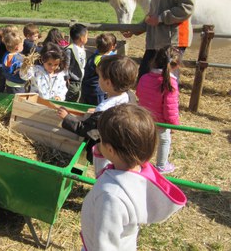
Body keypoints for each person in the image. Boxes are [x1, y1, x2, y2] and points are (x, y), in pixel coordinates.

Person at [80, 103, 187, 251]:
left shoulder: (111, 197)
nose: (99, 142)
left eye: (101, 139)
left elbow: (105, 245)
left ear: (110, 149)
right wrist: (100, 153)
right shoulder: (137, 174)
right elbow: (104, 175)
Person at [58, 55, 138, 175]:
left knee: (103, 173)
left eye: (99, 77)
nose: (98, 79)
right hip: (123, 146)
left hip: (106, 150)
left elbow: (87, 129)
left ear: (108, 83)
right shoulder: (129, 96)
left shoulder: (104, 109)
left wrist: (67, 117)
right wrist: (96, 111)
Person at [123, 0, 195, 81]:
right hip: (156, 42)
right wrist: (134, 30)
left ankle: (166, 101)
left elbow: (187, 7)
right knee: (145, 77)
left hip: (172, 42)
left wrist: (161, 18)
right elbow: (151, 17)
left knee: (165, 81)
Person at [136, 46, 180, 174]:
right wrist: (172, 124)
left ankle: (140, 162)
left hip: (145, 118)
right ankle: (161, 165)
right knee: (164, 140)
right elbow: (170, 106)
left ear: (154, 60)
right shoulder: (169, 83)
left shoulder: (145, 77)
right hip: (161, 121)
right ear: (176, 65)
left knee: (146, 140)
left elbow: (139, 93)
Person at [81, 33, 117, 105]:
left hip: (86, 88)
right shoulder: (104, 60)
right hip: (97, 90)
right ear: (112, 47)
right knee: (98, 110)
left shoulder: (93, 57)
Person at [64, 23, 88, 102]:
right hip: (72, 82)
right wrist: (66, 78)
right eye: (86, 36)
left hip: (80, 81)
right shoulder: (70, 50)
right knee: (71, 100)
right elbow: (66, 65)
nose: (87, 38)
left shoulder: (81, 48)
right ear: (81, 38)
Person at [1, 29, 26, 94]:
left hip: (9, 82)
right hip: (17, 85)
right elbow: (23, 71)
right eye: (22, 45)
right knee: (18, 102)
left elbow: (9, 68)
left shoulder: (6, 54)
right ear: (17, 47)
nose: (23, 46)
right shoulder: (18, 57)